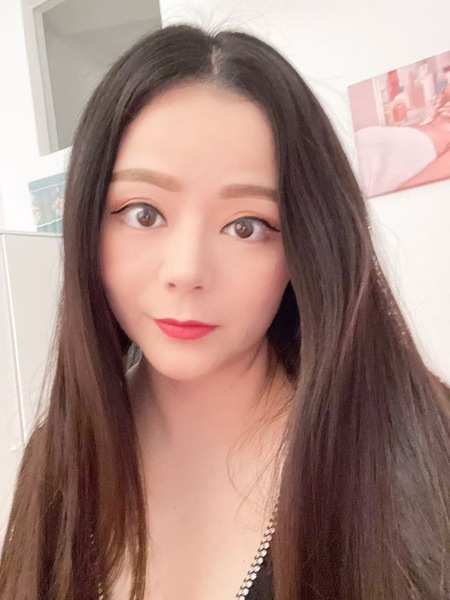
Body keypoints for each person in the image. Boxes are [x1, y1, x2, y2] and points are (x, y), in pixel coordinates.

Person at [1, 24, 449, 600]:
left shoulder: (411, 445)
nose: (187, 270)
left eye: (246, 226)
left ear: (305, 248)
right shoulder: (57, 458)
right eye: (143, 213)